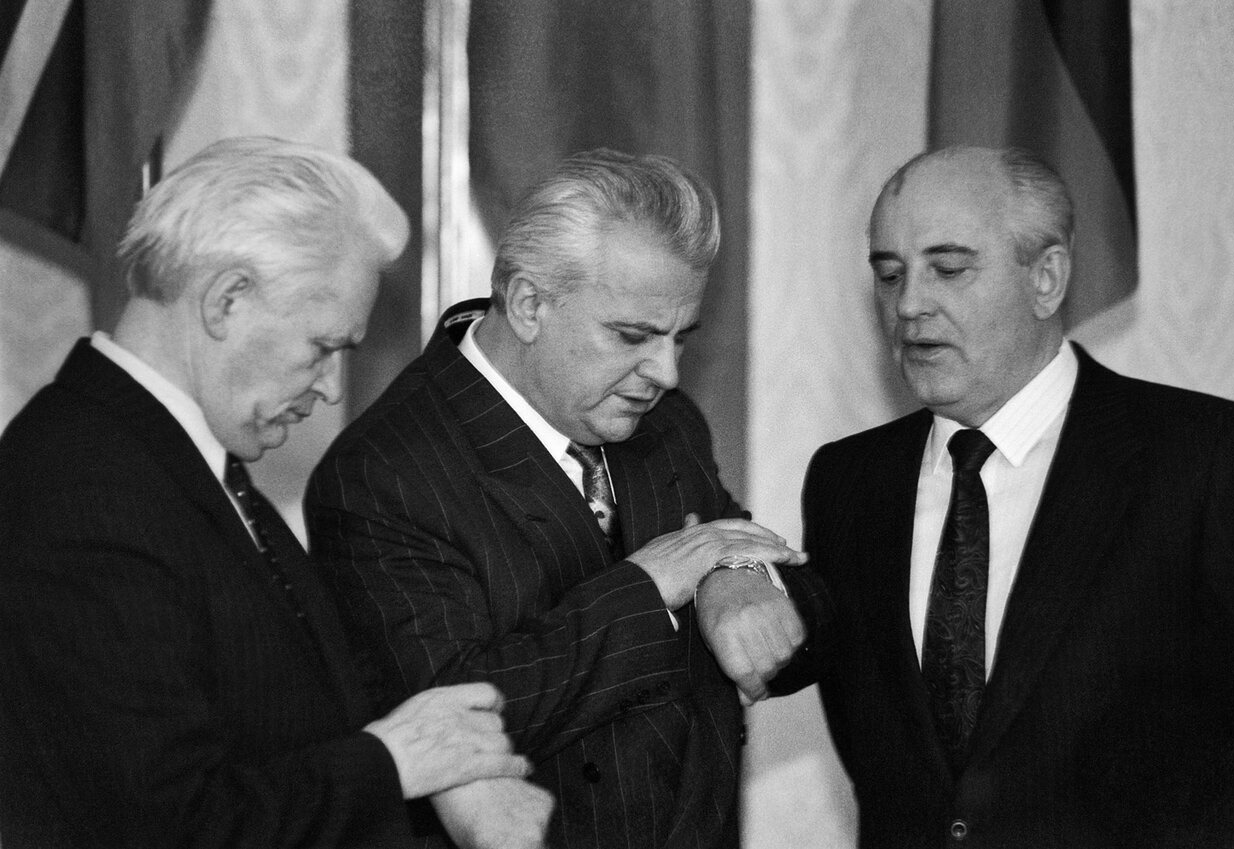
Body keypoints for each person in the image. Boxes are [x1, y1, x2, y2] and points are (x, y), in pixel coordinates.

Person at [0, 137, 552, 849]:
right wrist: (394, 762)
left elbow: (291, 727)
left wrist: (446, 766)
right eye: (322, 347)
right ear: (227, 300)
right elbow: (166, 826)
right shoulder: (84, 490)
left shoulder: (178, 463)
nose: (329, 389)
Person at [304, 148, 821, 848]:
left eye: (681, 339)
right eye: (633, 336)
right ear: (528, 305)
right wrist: (651, 587)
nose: (666, 373)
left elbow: (801, 606)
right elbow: (456, 721)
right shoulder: (381, 473)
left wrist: (738, 574)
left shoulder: (666, 424)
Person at [773, 145, 1234, 847]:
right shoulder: (848, 479)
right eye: (890, 275)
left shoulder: (1205, 456)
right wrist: (727, 572)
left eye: (949, 269)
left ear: (1047, 278)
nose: (909, 304)